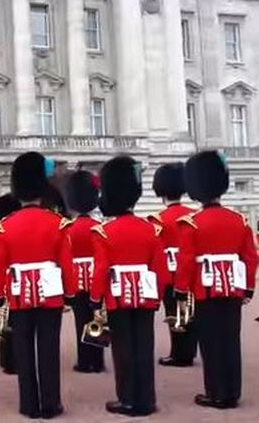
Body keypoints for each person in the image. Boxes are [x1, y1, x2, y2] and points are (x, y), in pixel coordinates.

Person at [0, 152, 75, 419]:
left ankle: (29, 404)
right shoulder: (58, 224)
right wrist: (70, 293)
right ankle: (51, 403)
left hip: (19, 295)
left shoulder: (4, 227)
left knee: (23, 350)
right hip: (50, 295)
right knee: (48, 349)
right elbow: (66, 264)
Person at [175, 150, 258, 409]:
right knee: (231, 340)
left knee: (211, 342)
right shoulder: (239, 220)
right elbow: (250, 257)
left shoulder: (192, 223)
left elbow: (187, 261)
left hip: (205, 289)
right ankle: (232, 391)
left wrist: (181, 289)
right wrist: (248, 288)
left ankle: (216, 393)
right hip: (233, 287)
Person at [89, 156, 169, 417]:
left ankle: (127, 400)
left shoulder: (104, 232)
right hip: (146, 294)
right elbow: (160, 269)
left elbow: (101, 268)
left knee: (123, 348)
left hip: (117, 295)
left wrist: (94, 297)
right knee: (144, 346)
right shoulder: (151, 229)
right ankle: (146, 399)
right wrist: (157, 294)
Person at [149, 162, 198, 368]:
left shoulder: (158, 219)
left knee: (174, 313)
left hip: (170, 272)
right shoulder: (193, 215)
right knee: (192, 310)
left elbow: (156, 252)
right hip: (193, 271)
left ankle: (179, 353)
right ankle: (190, 350)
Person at [63, 170, 105, 374]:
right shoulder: (99, 227)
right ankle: (97, 361)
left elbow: (67, 259)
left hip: (78, 280)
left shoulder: (69, 229)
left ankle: (84, 360)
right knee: (97, 317)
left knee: (81, 321)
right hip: (97, 277)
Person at [0, 194, 21, 376]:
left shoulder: (1, 232)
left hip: (8, 281)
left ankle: (8, 360)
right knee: (12, 322)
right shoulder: (10, 231)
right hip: (17, 281)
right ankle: (15, 359)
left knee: (7, 321)